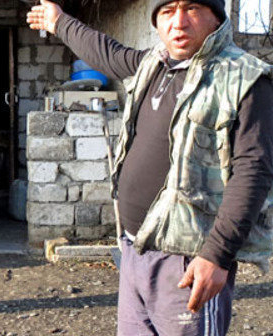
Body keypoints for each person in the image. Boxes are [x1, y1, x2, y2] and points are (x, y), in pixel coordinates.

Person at [27, 1, 273, 335]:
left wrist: (217, 255)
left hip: (189, 262)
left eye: (192, 9)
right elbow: (107, 53)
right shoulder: (153, 64)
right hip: (134, 249)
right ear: (157, 20)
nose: (179, 22)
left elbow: (253, 171)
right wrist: (59, 22)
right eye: (168, 11)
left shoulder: (245, 78)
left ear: (216, 17)